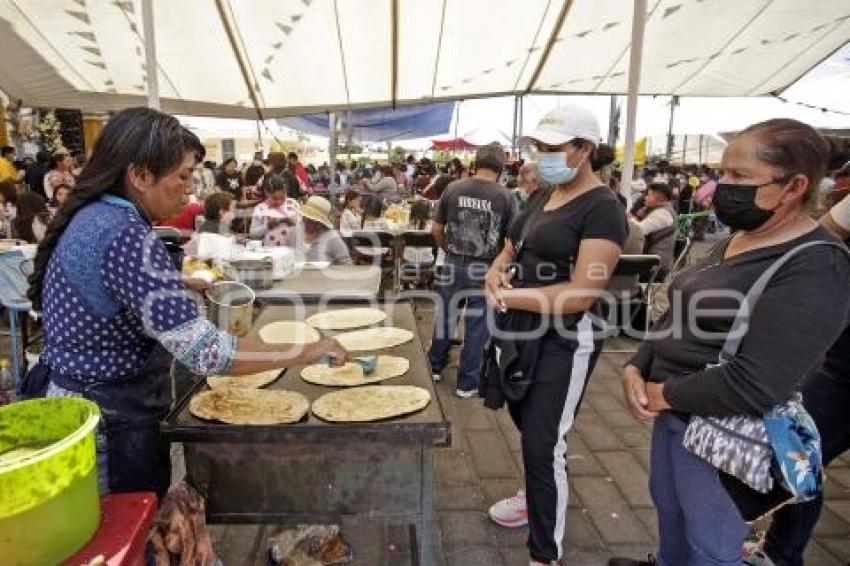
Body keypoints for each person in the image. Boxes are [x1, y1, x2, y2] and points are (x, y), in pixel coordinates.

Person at [24, 107, 349, 499]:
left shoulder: (95, 217)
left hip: (74, 405)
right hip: (108, 423)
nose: (190, 190)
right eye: (181, 177)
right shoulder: (127, 235)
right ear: (140, 175)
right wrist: (308, 351)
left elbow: (102, 286)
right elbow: (206, 353)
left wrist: (177, 281)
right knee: (127, 546)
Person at [610, 119, 850, 566]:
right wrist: (636, 365)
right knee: (672, 519)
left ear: (794, 186)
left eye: (740, 176)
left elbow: (760, 381)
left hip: (725, 434)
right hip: (674, 417)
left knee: (709, 546)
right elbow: (678, 311)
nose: (723, 186)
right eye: (724, 173)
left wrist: (662, 394)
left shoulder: (816, 265)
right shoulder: (738, 239)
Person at [480, 106, 625, 566]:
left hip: (564, 337)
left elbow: (582, 293)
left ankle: (545, 554)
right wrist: (494, 274)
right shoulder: (546, 194)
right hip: (521, 331)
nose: (541, 156)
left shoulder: (604, 209)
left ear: (584, 150)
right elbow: (510, 246)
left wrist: (510, 297)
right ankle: (534, 497)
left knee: (545, 443)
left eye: (553, 148)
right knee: (526, 423)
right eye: (538, 147)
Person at [428, 143, 517, 398]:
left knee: (445, 317)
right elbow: (512, 241)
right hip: (487, 267)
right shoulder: (506, 196)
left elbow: (436, 229)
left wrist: (448, 248)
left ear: (475, 164)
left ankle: (434, 367)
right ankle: (466, 383)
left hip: (453, 262)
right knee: (478, 327)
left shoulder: (453, 188)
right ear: (501, 169)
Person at [632, 182, 677, 276]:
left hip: (655, 267)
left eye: (648, 195)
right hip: (648, 261)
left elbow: (637, 230)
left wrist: (632, 219)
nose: (645, 198)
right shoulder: (654, 210)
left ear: (657, 197)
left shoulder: (663, 214)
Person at [249, 172, 301, 246]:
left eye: (282, 198)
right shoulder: (260, 209)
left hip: (291, 250)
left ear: (286, 192)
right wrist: (267, 226)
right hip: (269, 252)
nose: (279, 202)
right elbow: (253, 234)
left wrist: (293, 224)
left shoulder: (293, 204)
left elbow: (303, 229)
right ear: (267, 193)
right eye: (274, 198)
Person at [300, 196, 352, 265]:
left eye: (311, 221)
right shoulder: (296, 232)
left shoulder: (332, 238)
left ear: (321, 223)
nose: (306, 222)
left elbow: (347, 264)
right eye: (304, 218)